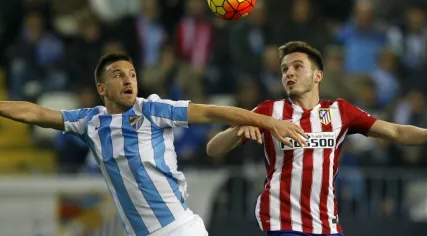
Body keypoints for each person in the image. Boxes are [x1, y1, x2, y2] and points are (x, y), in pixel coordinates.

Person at [0, 52, 306, 236]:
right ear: (101, 87)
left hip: (179, 230)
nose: (128, 79)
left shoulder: (152, 110)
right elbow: (36, 112)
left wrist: (269, 122)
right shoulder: (88, 122)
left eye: (132, 74)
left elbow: (211, 111)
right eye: (118, 75)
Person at [206, 41, 427, 236]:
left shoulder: (340, 112)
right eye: (284, 69)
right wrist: (238, 130)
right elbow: (213, 149)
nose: (289, 73)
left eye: (297, 66)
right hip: (283, 222)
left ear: (317, 76)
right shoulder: (269, 111)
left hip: (327, 224)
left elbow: (396, 132)